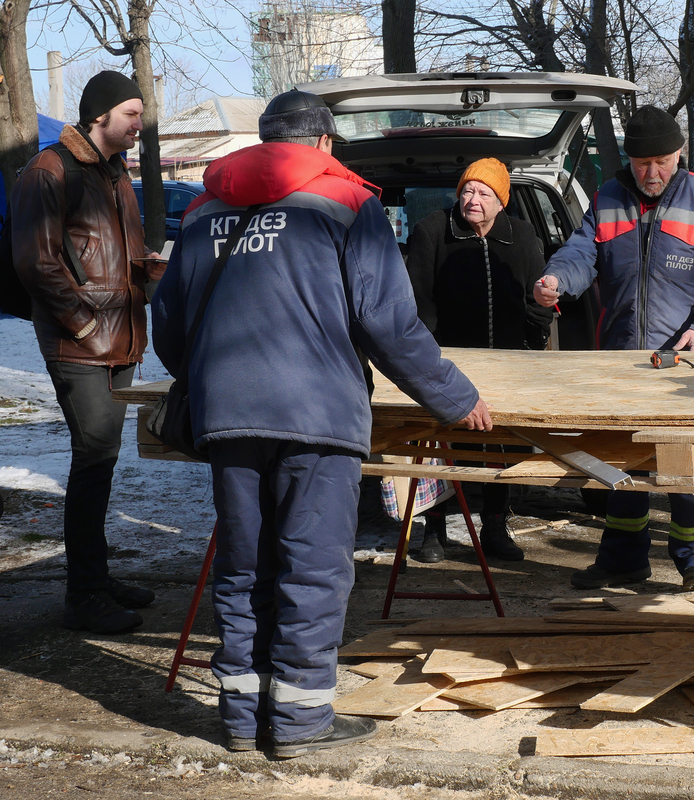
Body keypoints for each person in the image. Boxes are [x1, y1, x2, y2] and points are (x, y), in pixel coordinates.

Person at [152, 89, 492, 758]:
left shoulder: (201, 209)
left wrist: (218, 381)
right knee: (310, 567)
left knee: (244, 567)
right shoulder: (347, 203)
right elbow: (386, 321)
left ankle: (243, 722)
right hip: (316, 415)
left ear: (264, 140)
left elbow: (168, 323)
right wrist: (452, 395)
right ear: (325, 145)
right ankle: (303, 722)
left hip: (229, 417)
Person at [535, 106, 694, 594]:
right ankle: (622, 560)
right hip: (621, 362)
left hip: (687, 365)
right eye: (641, 163)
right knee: (620, 466)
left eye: (661, 161)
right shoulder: (607, 197)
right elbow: (580, 253)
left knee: (688, 465)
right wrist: (556, 279)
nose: (651, 173)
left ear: (679, 154)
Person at [11, 71, 163, 635]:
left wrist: (148, 270)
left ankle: (94, 576)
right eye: (130, 113)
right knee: (92, 459)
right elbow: (36, 262)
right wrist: (81, 323)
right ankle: (84, 595)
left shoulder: (113, 171)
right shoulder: (50, 170)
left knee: (102, 463)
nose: (138, 124)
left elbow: (106, 251)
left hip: (117, 337)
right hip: (80, 342)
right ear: (99, 114)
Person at [405, 158, 552, 563]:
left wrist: (531, 343)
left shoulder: (522, 237)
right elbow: (417, 301)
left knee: (498, 447)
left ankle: (494, 525)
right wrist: (427, 359)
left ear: (501, 202)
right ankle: (433, 528)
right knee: (437, 448)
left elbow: (537, 299)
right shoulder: (431, 231)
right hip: (443, 365)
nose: (473, 199)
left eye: (484, 193)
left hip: (505, 362)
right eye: (468, 191)